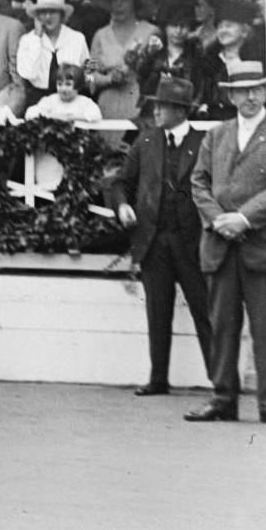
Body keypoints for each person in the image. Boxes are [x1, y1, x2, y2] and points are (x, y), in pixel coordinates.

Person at [185, 62, 266, 428]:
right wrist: (219, 219)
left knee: (264, 325)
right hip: (221, 242)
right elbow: (198, 182)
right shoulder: (217, 135)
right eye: (242, 91)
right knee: (221, 324)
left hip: (263, 243)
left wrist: (244, 218)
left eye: (257, 89)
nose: (250, 97)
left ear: (265, 92)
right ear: (231, 95)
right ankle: (223, 398)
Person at [108, 77, 215, 398]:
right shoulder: (146, 141)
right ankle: (158, 379)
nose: (155, 111)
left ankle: (220, 382)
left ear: (181, 111)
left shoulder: (205, 141)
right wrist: (123, 205)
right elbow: (118, 182)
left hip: (193, 242)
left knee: (204, 312)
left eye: (163, 106)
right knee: (157, 311)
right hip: (154, 240)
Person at [85, 0, 162, 122]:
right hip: (108, 103)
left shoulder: (150, 32)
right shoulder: (100, 35)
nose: (118, 5)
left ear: (135, 3)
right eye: (114, 0)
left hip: (140, 102)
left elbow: (157, 72)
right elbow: (89, 75)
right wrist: (108, 79)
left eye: (124, 0)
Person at [14, 0, 89, 108]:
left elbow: (88, 67)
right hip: (38, 100)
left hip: (71, 100)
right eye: (43, 12)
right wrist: (37, 37)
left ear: (61, 15)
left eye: (53, 11)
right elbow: (28, 73)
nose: (48, 17)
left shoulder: (77, 38)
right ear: (37, 16)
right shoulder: (27, 40)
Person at [25, 64, 103, 125]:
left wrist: (73, 118)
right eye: (60, 84)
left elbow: (96, 116)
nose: (63, 89)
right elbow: (31, 113)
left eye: (68, 84)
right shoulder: (51, 100)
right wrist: (52, 116)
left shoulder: (84, 102)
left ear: (78, 86)